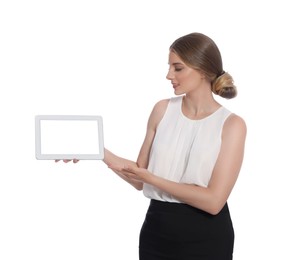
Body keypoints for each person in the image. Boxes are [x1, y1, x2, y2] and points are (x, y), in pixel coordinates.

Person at [58, 32, 247, 260]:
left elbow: (214, 201)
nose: (169, 75)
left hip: (206, 237)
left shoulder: (232, 125)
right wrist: (96, 150)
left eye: (178, 68)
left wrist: (152, 179)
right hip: (156, 232)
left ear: (203, 70)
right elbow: (139, 176)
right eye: (169, 67)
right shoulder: (162, 110)